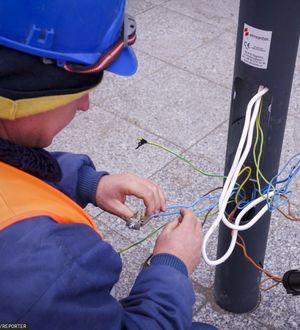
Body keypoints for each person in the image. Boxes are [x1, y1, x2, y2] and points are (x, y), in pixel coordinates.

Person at [0, 1, 214, 329]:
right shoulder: (44, 267)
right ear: (25, 95)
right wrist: (172, 266)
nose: (85, 105)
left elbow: (11, 172)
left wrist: (87, 183)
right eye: (78, 92)